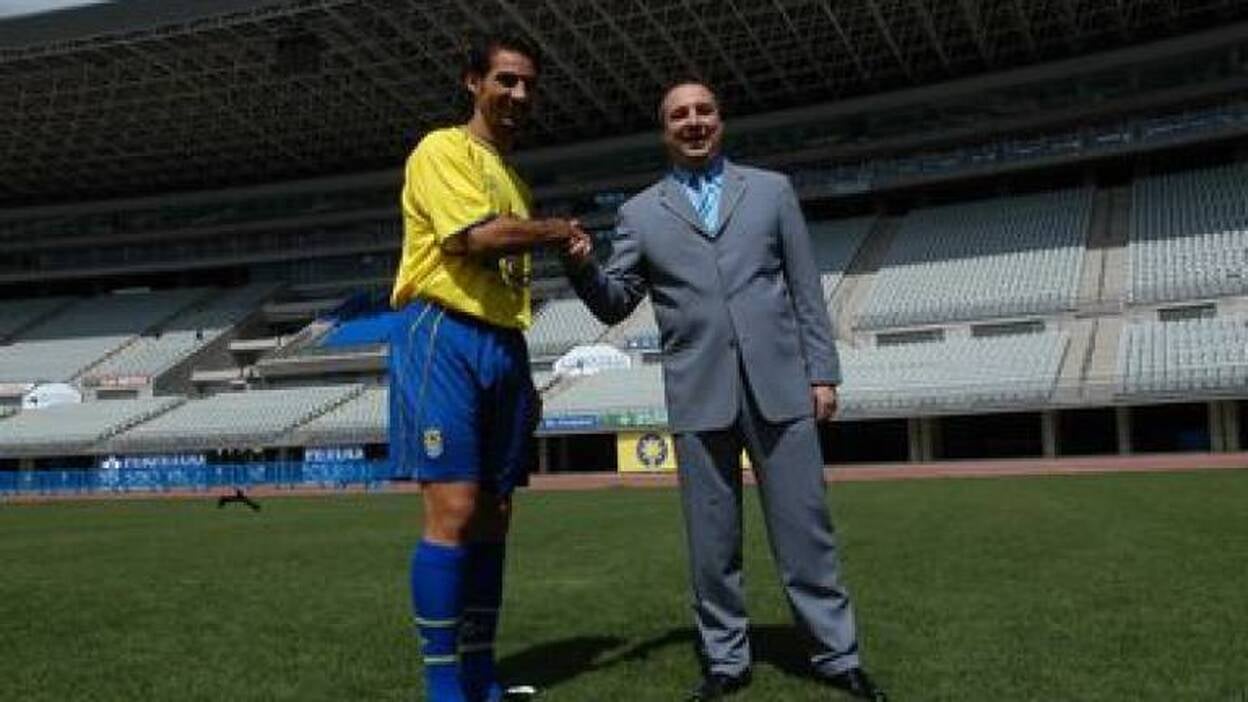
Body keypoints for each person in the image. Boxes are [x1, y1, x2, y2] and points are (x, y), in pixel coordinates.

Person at [563, 80, 886, 701]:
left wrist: (822, 372)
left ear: (721, 120)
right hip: (698, 391)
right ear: (665, 130)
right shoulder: (639, 213)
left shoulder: (771, 190)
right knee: (712, 543)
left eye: (703, 111)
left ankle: (836, 656)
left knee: (806, 531)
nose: (693, 122)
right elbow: (616, 300)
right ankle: (725, 660)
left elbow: (805, 288)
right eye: (679, 114)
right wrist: (581, 265)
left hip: (781, 385)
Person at [389, 31, 588, 702]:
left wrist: (520, 374)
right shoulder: (441, 149)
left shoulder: (516, 181)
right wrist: (558, 229)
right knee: (455, 504)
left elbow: (507, 280)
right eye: (506, 79)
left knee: (497, 510)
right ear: (472, 82)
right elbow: (473, 239)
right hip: (442, 331)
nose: (519, 94)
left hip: (502, 342)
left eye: (528, 84)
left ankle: (480, 672)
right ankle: (444, 686)